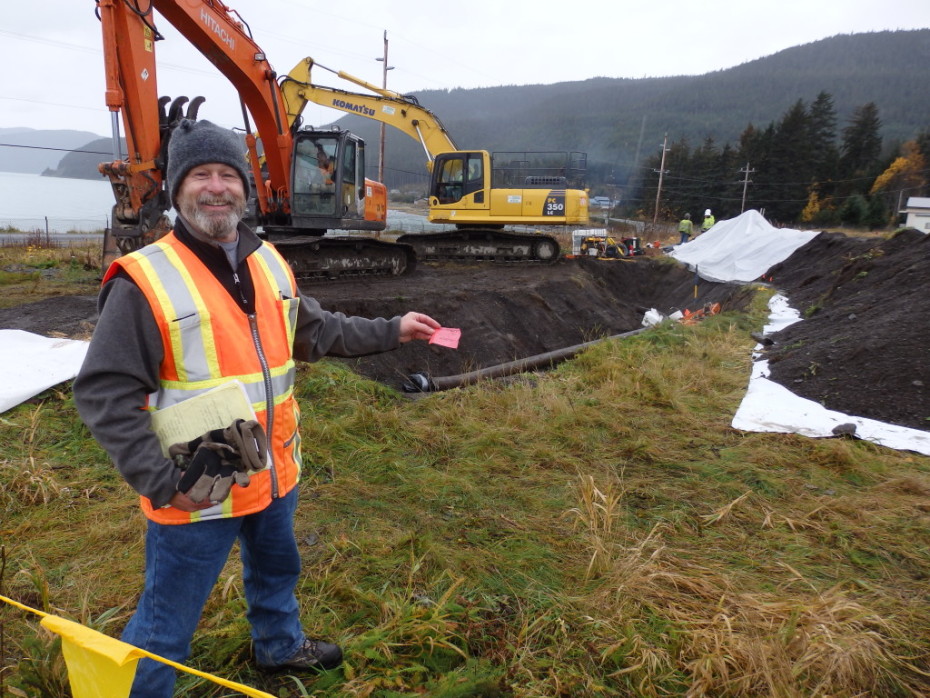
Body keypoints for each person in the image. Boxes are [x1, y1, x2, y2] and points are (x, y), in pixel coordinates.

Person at [73, 119, 440, 697]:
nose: (216, 188)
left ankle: (278, 646)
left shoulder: (267, 260)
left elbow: (313, 331)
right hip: (197, 485)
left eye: (228, 175)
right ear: (176, 189)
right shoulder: (145, 279)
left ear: (246, 188)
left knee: (276, 573)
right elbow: (103, 392)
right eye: (200, 175)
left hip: (273, 469)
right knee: (166, 620)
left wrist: (396, 328)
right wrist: (161, 481)